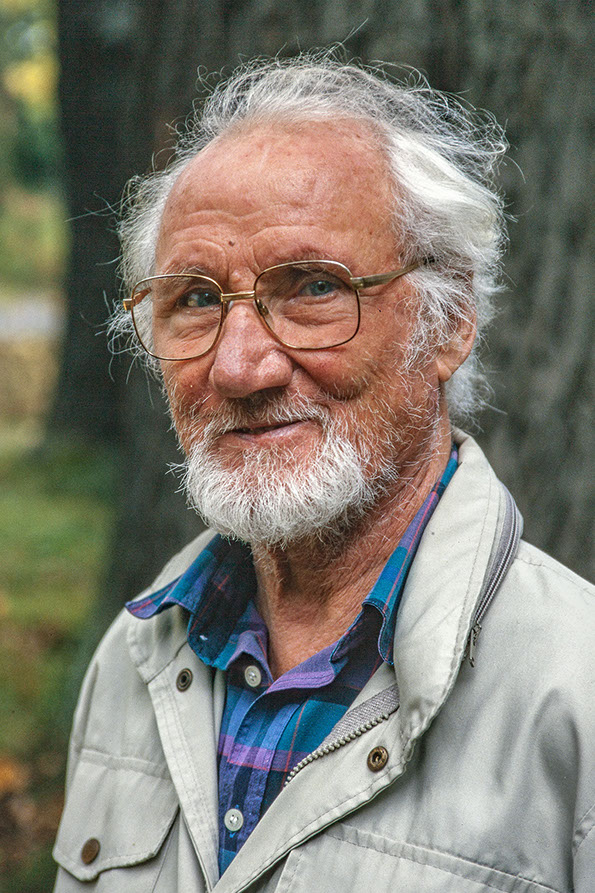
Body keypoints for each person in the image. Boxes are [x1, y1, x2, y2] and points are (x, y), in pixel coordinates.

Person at [53, 56, 594, 892]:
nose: (239, 366)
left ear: (447, 322)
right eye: (195, 299)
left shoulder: (574, 688)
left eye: (312, 287)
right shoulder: (134, 657)